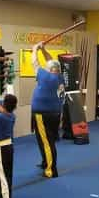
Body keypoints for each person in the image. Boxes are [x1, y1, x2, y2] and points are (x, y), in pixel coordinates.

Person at [31, 42, 65, 178]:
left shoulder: (45, 77)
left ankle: (51, 169)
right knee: (43, 140)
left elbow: (35, 62)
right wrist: (43, 49)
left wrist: (35, 49)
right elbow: (51, 61)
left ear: (50, 69)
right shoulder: (59, 76)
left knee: (47, 141)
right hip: (55, 113)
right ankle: (46, 161)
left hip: (43, 114)